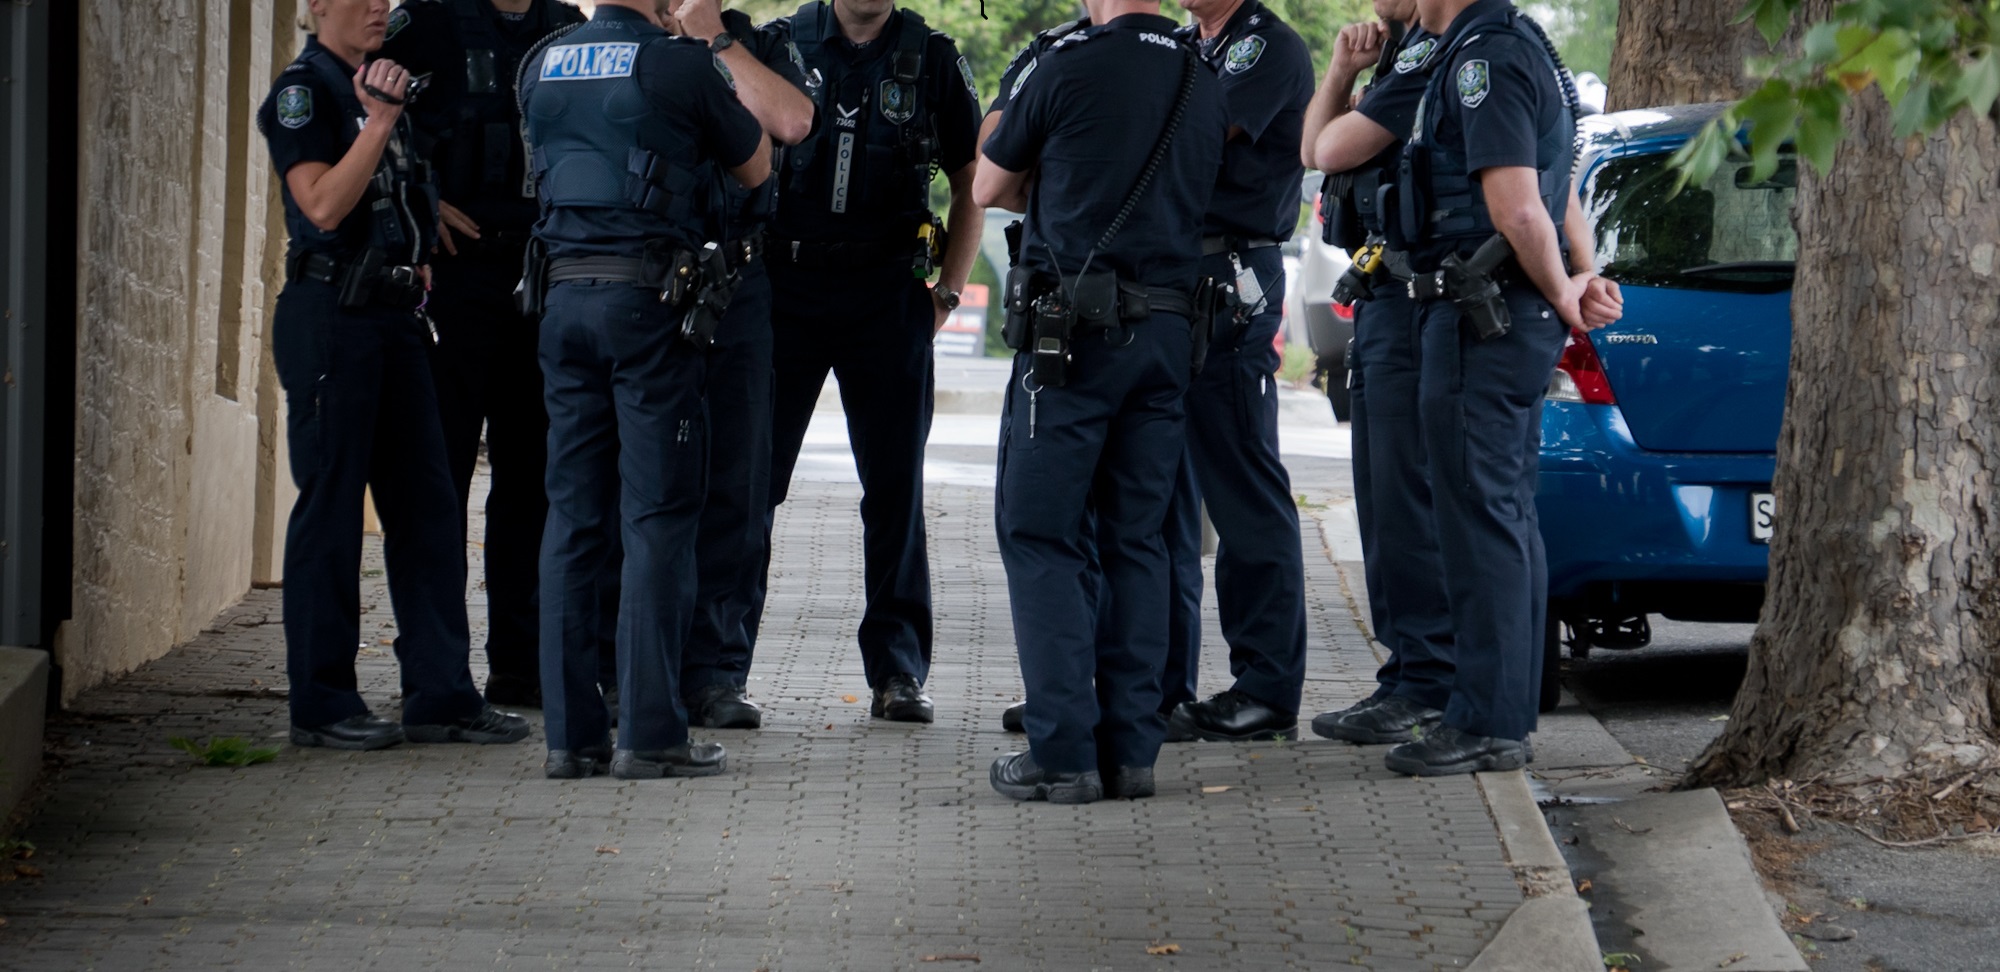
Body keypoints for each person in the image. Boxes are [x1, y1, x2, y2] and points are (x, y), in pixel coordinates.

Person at [258, 0, 531, 751]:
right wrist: (377, 123)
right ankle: (322, 704)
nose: (380, 7)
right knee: (333, 510)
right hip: (332, 315)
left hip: (401, 318)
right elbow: (319, 207)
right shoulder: (305, 93)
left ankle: (442, 694)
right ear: (318, 6)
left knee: (429, 509)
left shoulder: (387, 83)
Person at [977, 0, 1227, 802]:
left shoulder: (1066, 66)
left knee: (1039, 530)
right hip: (1167, 334)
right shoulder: (1205, 76)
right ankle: (1131, 751)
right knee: (1140, 541)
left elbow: (989, 182)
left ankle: (1061, 753)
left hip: (1073, 343)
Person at [519, 0, 769, 779]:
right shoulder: (679, 62)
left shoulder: (542, 60)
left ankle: (570, 739)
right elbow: (756, 165)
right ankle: (651, 733)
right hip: (647, 309)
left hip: (560, 302)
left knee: (571, 517)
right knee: (657, 516)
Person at [1375, 0, 1619, 775]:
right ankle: (1496, 711)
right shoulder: (1496, 46)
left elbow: (1519, 204)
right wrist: (1574, 279)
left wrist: (1560, 292)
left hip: (1485, 315)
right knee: (1499, 515)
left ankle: (1486, 721)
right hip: (1494, 314)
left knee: (1481, 519)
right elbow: (1560, 188)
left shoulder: (1487, 56)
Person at [750, 0, 983, 725]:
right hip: (783, 290)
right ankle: (717, 669)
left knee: (894, 495)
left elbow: (973, 173)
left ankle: (898, 672)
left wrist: (947, 288)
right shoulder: (775, 45)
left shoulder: (932, 57)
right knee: (749, 484)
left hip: (886, 294)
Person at [377, 0, 587, 710]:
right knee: (438, 484)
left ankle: (519, 666)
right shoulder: (427, 24)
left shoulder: (572, 32)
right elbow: (368, 124)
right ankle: (435, 669)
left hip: (542, 281)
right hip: (456, 279)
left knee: (532, 484)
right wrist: (421, 207)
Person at [1298, 0, 1457, 747]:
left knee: (1405, 494)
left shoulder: (1431, 54)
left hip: (1415, 294)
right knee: (1385, 496)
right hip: (1385, 288)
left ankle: (1426, 678)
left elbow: (1327, 150)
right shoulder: (1396, 55)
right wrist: (1339, 71)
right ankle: (1408, 673)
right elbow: (1315, 147)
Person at [1157, 0, 1314, 744]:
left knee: (1241, 482)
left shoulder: (1265, 47)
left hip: (1231, 274)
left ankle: (1266, 687)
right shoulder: (1189, 40)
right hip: (1172, 273)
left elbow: (1194, 133)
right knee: (1156, 491)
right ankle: (1152, 682)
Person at [663, 0, 815, 730]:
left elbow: (790, 123)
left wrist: (715, 42)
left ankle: (716, 671)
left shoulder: (757, 43)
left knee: (737, 487)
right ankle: (622, 665)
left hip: (738, 285)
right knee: (638, 487)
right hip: (646, 281)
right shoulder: (613, 39)